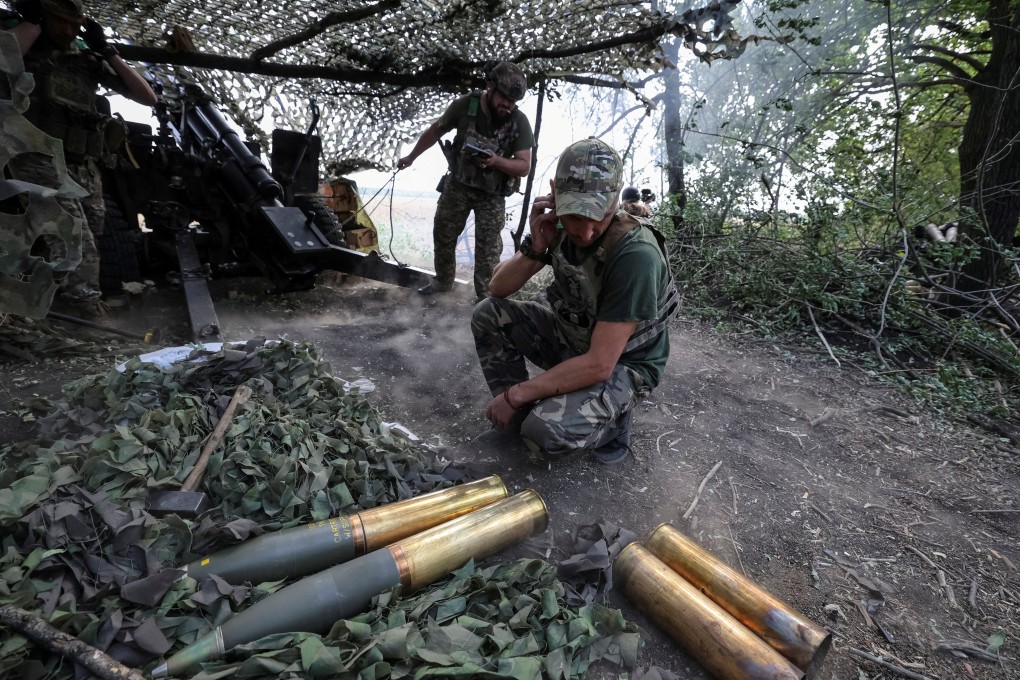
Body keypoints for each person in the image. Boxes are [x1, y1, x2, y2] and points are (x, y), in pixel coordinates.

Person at [471, 138, 680, 464]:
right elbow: (496, 289)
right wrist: (536, 249)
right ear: (555, 192)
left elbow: (599, 364)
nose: (584, 232)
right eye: (574, 216)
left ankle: (613, 422)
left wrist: (515, 394)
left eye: (598, 216)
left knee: (544, 434)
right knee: (488, 315)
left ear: (615, 199)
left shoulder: (636, 254)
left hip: (622, 363)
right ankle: (522, 416)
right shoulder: (554, 224)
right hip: (576, 338)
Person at [4, 0, 157, 307]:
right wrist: (31, 25)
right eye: (61, 21)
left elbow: (147, 96)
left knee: (91, 235)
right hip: (37, 156)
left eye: (76, 24)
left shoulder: (84, 57)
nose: (69, 30)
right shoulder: (21, 42)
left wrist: (108, 51)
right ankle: (87, 312)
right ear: (43, 17)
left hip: (82, 163)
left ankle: (50, 299)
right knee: (73, 237)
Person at [397, 62, 534, 300]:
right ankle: (442, 284)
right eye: (503, 98)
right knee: (443, 233)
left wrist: (495, 161)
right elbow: (435, 131)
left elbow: (524, 166)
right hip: (459, 185)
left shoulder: (519, 121)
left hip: (492, 195)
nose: (507, 105)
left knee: (488, 250)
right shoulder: (465, 106)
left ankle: (486, 298)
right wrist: (411, 156)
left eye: (513, 102)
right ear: (490, 87)